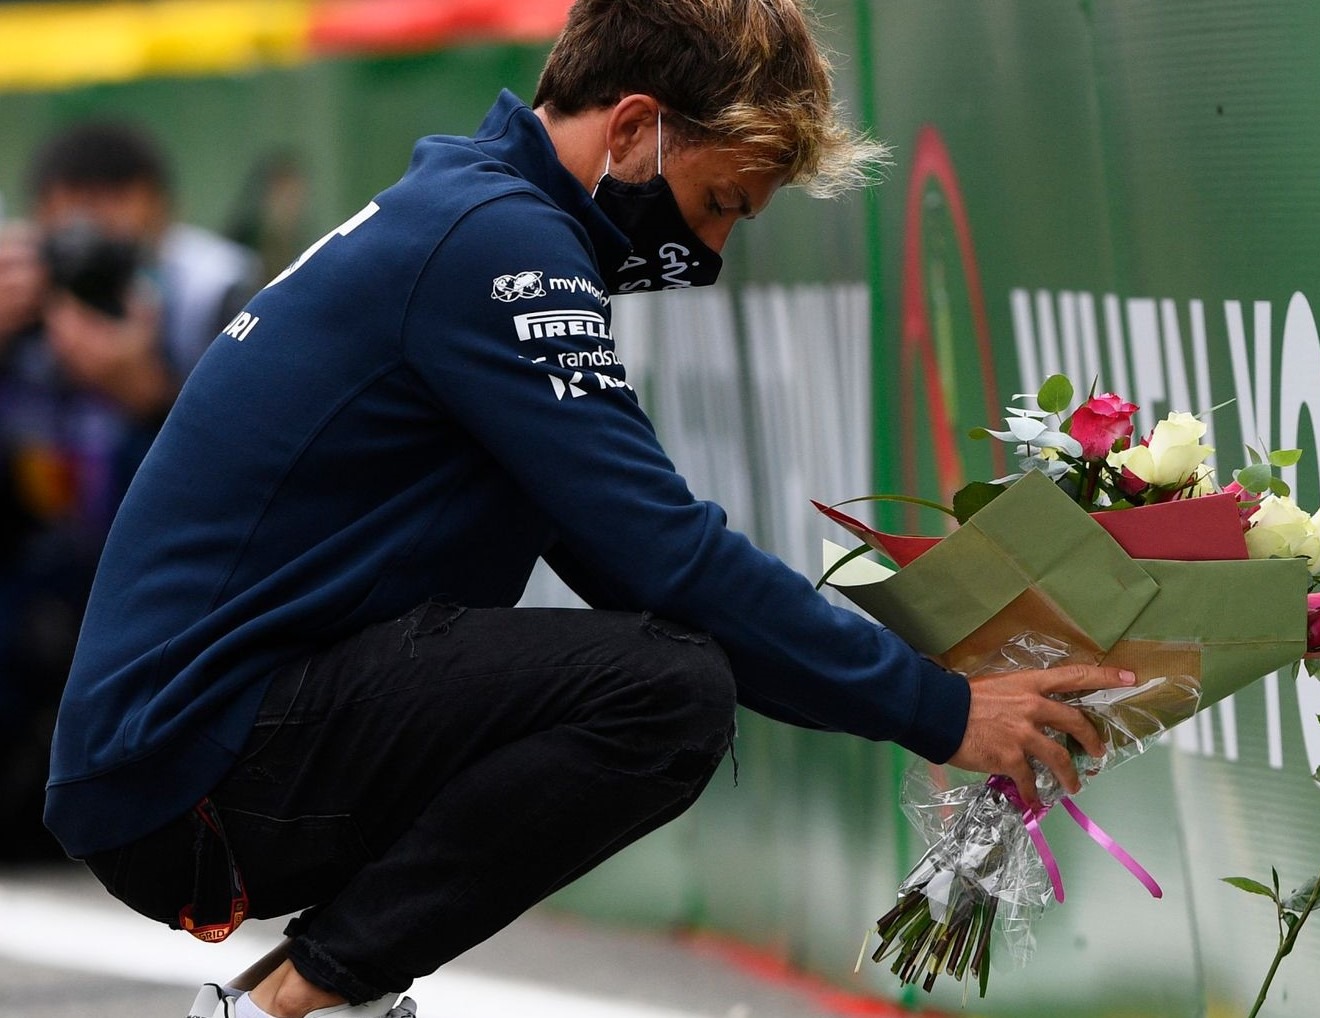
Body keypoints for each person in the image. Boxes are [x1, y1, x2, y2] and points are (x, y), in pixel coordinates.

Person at [46, 3, 1133, 1017]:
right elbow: (668, 557)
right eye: (718, 204)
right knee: (665, 693)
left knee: (664, 670)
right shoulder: (496, 244)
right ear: (632, 129)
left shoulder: (472, 217)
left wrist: (921, 688)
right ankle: (301, 998)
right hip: (192, 763)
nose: (708, 254)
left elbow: (632, 563)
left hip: (183, 752)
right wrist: (941, 710)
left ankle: (320, 986)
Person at [0, 121, 258, 860]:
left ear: (160, 213)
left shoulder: (213, 294)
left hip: (176, 579)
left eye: (113, 202)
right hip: (40, 563)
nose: (91, 227)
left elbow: (257, 472)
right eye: (71, 205)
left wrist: (148, 395)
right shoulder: (14, 290)